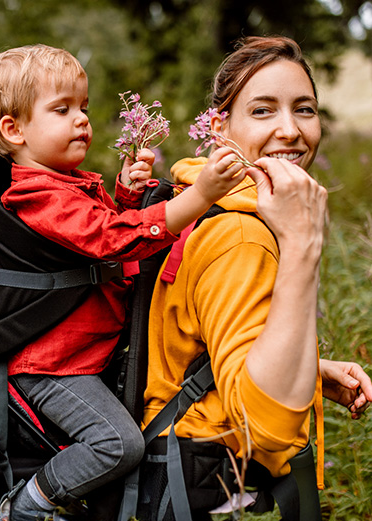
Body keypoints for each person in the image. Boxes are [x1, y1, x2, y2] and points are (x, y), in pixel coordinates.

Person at [0, 44, 248, 521]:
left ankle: (89, 516)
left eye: (84, 108)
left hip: (84, 354)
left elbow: (99, 227)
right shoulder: (36, 194)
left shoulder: (67, 183)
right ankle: (26, 506)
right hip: (52, 366)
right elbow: (108, 239)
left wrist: (126, 193)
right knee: (119, 444)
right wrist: (202, 195)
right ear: (13, 130)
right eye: (62, 110)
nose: (81, 120)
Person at [143, 36, 372, 495]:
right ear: (219, 128)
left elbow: (201, 342)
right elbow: (263, 428)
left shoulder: (196, 201)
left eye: (304, 109)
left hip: (170, 462)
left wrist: (309, 369)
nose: (290, 130)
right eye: (263, 111)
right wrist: (304, 242)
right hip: (209, 495)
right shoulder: (242, 235)